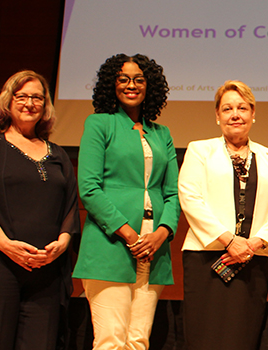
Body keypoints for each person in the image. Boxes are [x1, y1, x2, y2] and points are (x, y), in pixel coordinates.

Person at [0, 70, 80, 349]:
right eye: (21, 96)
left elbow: (71, 206)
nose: (30, 103)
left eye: (37, 97)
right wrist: (8, 246)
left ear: (45, 105)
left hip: (46, 270)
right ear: (8, 103)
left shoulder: (58, 154)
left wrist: (62, 244)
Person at [72, 54, 180, 350]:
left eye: (139, 79)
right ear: (112, 84)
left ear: (150, 86)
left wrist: (160, 234)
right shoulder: (99, 124)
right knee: (111, 341)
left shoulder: (162, 134)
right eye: (123, 79)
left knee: (138, 342)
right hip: (111, 247)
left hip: (154, 251)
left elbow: (172, 194)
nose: (131, 85)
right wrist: (131, 236)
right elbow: (89, 188)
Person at [178, 80, 268, 350]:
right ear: (217, 115)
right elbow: (190, 197)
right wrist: (230, 241)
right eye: (227, 108)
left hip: (253, 259)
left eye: (242, 108)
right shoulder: (199, 150)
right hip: (207, 256)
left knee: (243, 337)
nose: (235, 114)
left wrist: (253, 243)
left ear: (253, 113)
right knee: (203, 336)